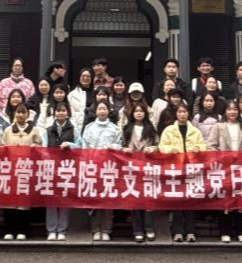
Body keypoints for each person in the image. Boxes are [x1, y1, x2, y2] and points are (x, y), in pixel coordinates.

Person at [158, 103, 207, 242]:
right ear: (176, 114)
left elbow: (203, 145)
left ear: (188, 113)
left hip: (191, 169)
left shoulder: (195, 131)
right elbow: (162, 146)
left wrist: (198, 147)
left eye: (184, 112)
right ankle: (178, 231)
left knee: (190, 202)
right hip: (175, 169)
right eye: (179, 112)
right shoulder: (169, 130)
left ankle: (190, 231)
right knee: (177, 201)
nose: (182, 114)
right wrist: (170, 150)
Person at [209, 100, 242, 243]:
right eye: (229, 109)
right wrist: (220, 156)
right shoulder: (218, 126)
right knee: (225, 201)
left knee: (240, 200)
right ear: (225, 111)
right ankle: (225, 231)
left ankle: (241, 231)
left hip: (241, 169)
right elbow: (211, 146)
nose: (232, 112)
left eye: (235, 109)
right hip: (224, 168)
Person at [77, 100, 123, 240]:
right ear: (95, 111)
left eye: (104, 109)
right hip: (94, 167)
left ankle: (107, 229)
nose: (102, 111)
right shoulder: (89, 128)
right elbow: (84, 148)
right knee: (95, 200)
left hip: (109, 168)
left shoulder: (115, 128)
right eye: (99, 109)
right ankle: (96, 229)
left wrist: (113, 147)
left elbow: (120, 145)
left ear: (108, 111)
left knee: (108, 200)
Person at [0, 103, 44, 240]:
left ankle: (22, 230)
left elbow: (40, 146)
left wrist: (34, 147)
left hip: (26, 169)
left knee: (24, 203)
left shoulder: (34, 130)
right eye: (18, 112)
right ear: (14, 114)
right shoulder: (8, 130)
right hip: (11, 169)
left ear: (28, 115)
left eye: (23, 112)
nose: (20, 115)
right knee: (9, 201)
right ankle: (9, 229)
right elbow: (2, 147)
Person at [121, 104, 159, 243]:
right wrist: (124, 149)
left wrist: (152, 149)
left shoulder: (150, 128)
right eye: (136, 111)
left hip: (147, 166)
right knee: (134, 199)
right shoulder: (127, 128)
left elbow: (158, 144)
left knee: (148, 200)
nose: (139, 113)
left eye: (141, 111)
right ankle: (137, 230)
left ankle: (149, 228)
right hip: (131, 167)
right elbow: (121, 144)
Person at [43, 102, 76, 240]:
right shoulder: (48, 130)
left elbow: (81, 145)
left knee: (64, 199)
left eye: (63, 110)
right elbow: (43, 148)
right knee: (51, 199)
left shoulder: (74, 129)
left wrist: (70, 144)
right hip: (51, 167)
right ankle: (51, 229)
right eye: (58, 110)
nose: (61, 113)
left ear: (68, 113)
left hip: (67, 168)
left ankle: (62, 229)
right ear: (54, 113)